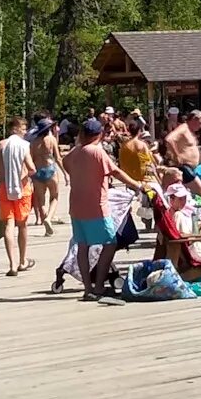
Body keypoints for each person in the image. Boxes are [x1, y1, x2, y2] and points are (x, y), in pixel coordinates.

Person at [64, 117, 131, 299]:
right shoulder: (97, 152)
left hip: (76, 207)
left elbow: (64, 162)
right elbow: (115, 171)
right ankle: (99, 285)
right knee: (110, 243)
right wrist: (137, 185)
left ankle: (87, 288)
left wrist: (78, 176)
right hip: (96, 207)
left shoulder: (75, 152)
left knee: (83, 246)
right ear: (99, 134)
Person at [0, 116, 35, 277]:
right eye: (23, 129)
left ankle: (12, 265)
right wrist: (23, 174)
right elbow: (32, 169)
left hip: (5, 188)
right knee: (22, 225)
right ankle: (22, 261)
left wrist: (7, 174)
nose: (25, 132)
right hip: (22, 189)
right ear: (15, 128)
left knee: (8, 226)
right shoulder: (24, 146)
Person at [28, 116, 61, 238]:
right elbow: (57, 158)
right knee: (54, 197)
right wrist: (66, 174)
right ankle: (49, 218)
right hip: (50, 169)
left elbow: (30, 160)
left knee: (40, 200)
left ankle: (45, 222)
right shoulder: (51, 140)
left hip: (38, 171)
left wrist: (29, 175)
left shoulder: (33, 142)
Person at [165, 108, 201, 192]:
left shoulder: (190, 131)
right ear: (194, 119)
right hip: (184, 167)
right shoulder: (184, 128)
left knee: (193, 194)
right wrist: (177, 156)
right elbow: (169, 139)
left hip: (192, 167)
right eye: (200, 123)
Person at [116, 116, 156, 189]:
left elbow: (121, 162)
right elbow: (150, 162)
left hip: (129, 179)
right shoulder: (142, 145)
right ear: (139, 131)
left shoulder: (124, 145)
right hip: (142, 180)